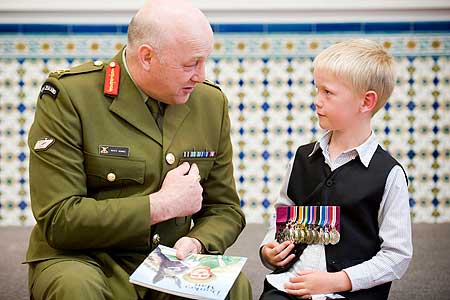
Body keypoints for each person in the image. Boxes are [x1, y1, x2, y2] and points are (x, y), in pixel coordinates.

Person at [26, 0, 252, 299]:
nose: (200, 75)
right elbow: (59, 219)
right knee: (75, 288)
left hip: (167, 260)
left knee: (233, 287)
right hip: (82, 258)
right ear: (147, 57)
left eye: (204, 61)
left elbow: (224, 209)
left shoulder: (210, 102)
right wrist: (160, 205)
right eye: (190, 64)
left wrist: (197, 242)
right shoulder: (71, 96)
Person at [259, 39, 412, 300]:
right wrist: (268, 248)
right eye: (317, 90)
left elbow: (396, 256)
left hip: (349, 293)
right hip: (289, 285)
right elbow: (283, 211)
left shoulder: (389, 174)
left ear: (366, 102)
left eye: (327, 93)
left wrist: (337, 281)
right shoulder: (302, 158)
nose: (317, 101)